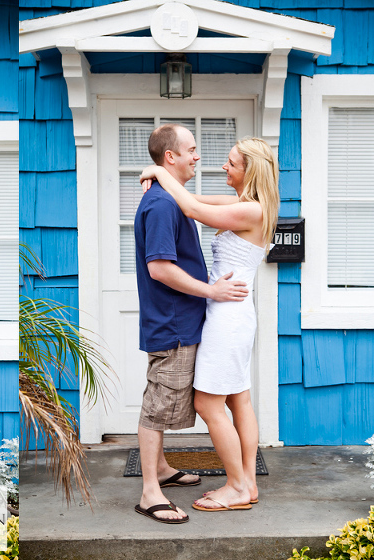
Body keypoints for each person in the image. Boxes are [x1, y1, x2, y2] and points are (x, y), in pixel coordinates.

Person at [140, 136, 279, 513]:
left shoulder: (249, 212)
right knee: (239, 399)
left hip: (227, 315)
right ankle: (247, 481)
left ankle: (235, 486)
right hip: (232, 312)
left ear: (250, 170)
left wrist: (156, 170)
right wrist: (165, 175)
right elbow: (193, 204)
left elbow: (189, 207)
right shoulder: (248, 205)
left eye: (231, 162)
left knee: (208, 402)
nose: (223, 166)